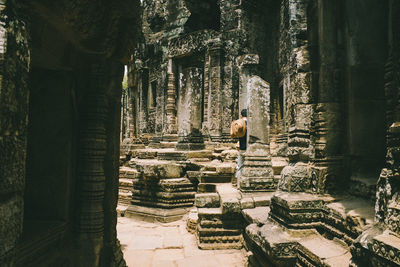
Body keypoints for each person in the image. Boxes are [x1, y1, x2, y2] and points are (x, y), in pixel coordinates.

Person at [235, 109, 247, 181]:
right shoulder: (252, 123)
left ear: (241, 116)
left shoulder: (240, 124)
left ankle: (239, 184)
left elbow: (234, 134)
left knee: (240, 166)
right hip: (250, 148)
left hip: (242, 147)